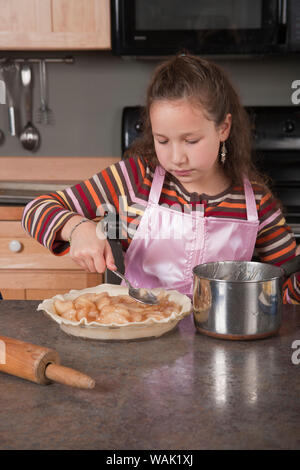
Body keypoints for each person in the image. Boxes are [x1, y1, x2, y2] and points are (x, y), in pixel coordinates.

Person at [22, 53, 300, 303]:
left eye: (191, 140)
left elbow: (286, 293)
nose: (176, 157)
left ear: (223, 128)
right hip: (140, 340)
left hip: (223, 349)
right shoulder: (134, 180)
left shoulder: (256, 205)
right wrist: (76, 228)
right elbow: (36, 209)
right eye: (163, 140)